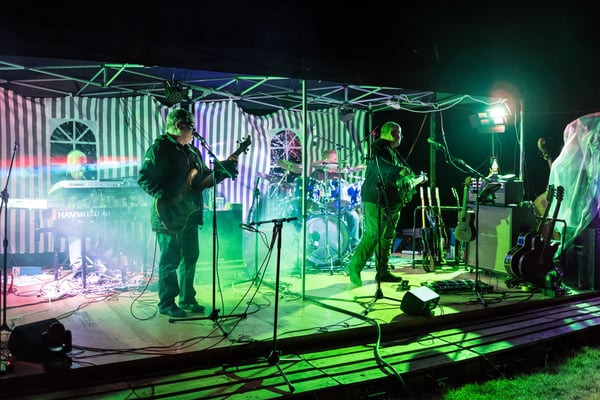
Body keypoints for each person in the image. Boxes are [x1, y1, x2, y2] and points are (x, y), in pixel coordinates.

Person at [138, 108, 238, 318]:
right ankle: (167, 303)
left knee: (190, 256)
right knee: (170, 259)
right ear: (178, 126)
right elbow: (144, 178)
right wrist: (169, 196)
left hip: (190, 213)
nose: (194, 130)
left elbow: (203, 180)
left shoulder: (193, 152)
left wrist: (222, 172)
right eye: (190, 125)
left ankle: (187, 298)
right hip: (168, 215)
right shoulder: (159, 149)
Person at [346, 121, 411, 287]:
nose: (401, 137)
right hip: (376, 199)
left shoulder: (393, 152)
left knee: (387, 237)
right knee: (373, 234)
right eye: (398, 133)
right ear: (391, 133)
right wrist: (399, 170)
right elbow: (379, 165)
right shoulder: (378, 147)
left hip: (391, 202)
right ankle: (354, 268)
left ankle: (383, 272)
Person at [310, 149, 362, 249]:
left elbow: (345, 192)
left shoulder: (339, 174)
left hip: (340, 207)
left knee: (354, 216)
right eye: (334, 159)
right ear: (326, 160)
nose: (337, 162)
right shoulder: (317, 174)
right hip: (324, 207)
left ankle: (354, 246)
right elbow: (313, 193)